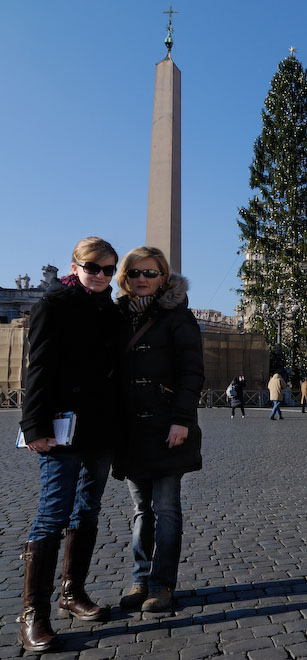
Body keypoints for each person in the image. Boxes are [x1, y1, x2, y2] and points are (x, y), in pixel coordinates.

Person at [17, 238, 122, 652]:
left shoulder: (112, 312)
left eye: (109, 269)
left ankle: (72, 593)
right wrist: (33, 425)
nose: (100, 275)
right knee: (52, 513)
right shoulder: (53, 304)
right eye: (93, 267)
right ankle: (32, 614)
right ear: (75, 265)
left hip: (100, 428)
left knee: (87, 509)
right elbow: (37, 367)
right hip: (60, 426)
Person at [112, 246, 204, 614]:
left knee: (165, 508)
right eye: (135, 273)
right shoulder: (117, 317)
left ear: (163, 277)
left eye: (150, 273)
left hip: (168, 426)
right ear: (126, 278)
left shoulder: (180, 318)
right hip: (131, 429)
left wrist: (181, 419)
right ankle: (139, 578)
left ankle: (162, 583)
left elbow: (191, 372)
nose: (142, 280)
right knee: (140, 510)